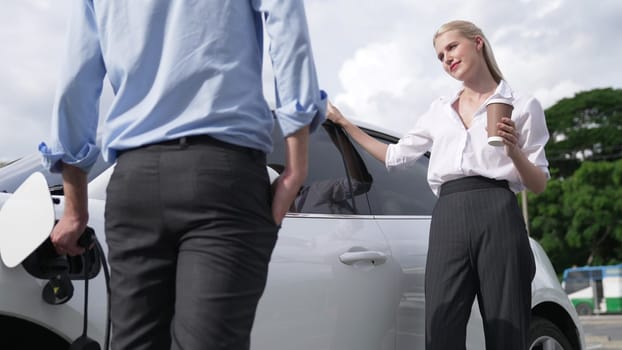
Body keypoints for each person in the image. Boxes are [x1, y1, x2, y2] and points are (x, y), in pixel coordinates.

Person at [39, 1, 325, 349]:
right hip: (224, 178)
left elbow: (76, 80)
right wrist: (295, 164)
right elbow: (285, 18)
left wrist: (75, 209)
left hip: (134, 182)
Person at [327, 20, 549, 350]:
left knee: (507, 327)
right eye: (440, 55)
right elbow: (394, 156)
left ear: (477, 43)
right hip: (448, 213)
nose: (446, 58)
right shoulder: (439, 110)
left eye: (451, 47)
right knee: (441, 325)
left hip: (498, 211)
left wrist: (512, 148)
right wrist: (345, 123)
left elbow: (539, 182)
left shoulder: (522, 103)